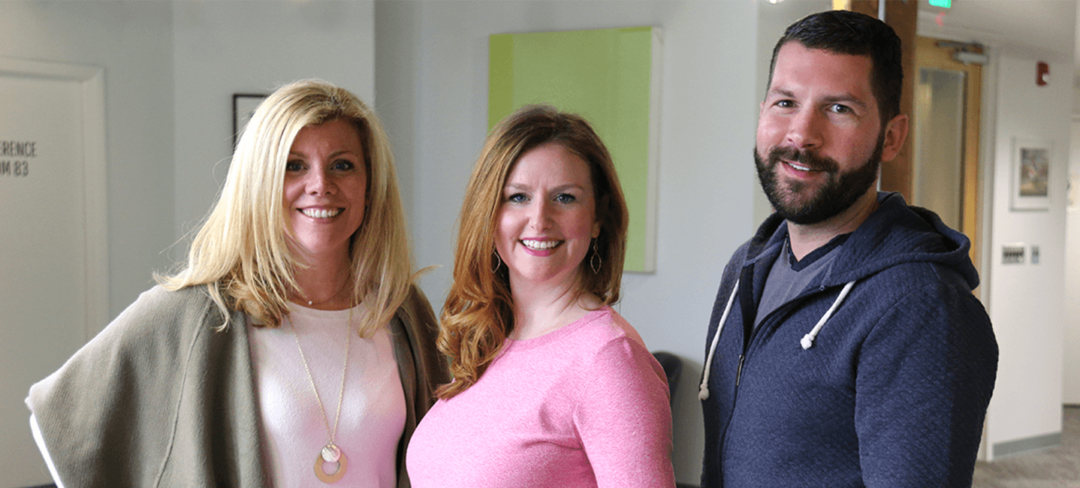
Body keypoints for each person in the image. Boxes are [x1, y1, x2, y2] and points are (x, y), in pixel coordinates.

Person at [26, 79, 448, 487]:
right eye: (293, 166)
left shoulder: (400, 308)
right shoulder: (198, 312)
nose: (321, 185)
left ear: (370, 186)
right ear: (259, 185)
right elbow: (60, 417)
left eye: (343, 165)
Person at [698, 10, 998, 487]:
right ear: (762, 111)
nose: (802, 135)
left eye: (839, 109)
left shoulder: (920, 305)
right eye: (785, 102)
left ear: (891, 137)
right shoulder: (747, 267)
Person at [405, 105, 675, 487]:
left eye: (565, 198)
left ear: (598, 218)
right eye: (517, 197)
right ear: (489, 213)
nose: (539, 219)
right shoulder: (490, 340)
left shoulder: (610, 361)